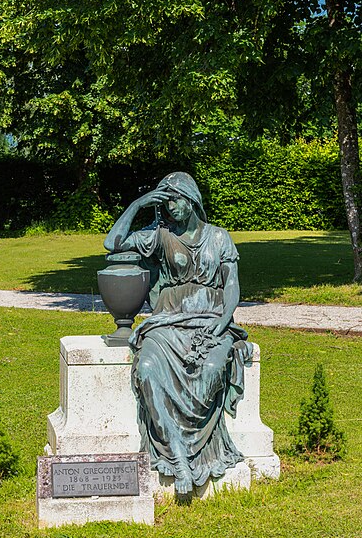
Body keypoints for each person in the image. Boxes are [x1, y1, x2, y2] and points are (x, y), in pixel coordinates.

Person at [104, 172, 253, 494]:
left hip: (212, 319)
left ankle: (198, 450)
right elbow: (112, 243)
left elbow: (231, 284)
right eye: (166, 202)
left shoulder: (218, 237)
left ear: (192, 200)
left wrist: (224, 320)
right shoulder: (159, 235)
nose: (171, 208)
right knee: (145, 371)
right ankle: (179, 460)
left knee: (212, 370)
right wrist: (138, 204)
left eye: (176, 200)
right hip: (167, 321)